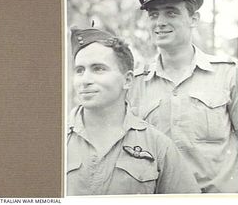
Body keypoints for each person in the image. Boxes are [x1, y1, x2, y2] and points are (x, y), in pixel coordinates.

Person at [127, 0, 238, 193]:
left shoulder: (228, 74)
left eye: (171, 13)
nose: (160, 22)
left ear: (193, 19)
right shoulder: (135, 84)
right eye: (153, 14)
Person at [67, 28, 200, 195]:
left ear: (128, 80)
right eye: (79, 70)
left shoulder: (158, 146)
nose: (85, 80)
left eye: (98, 69)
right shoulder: (53, 140)